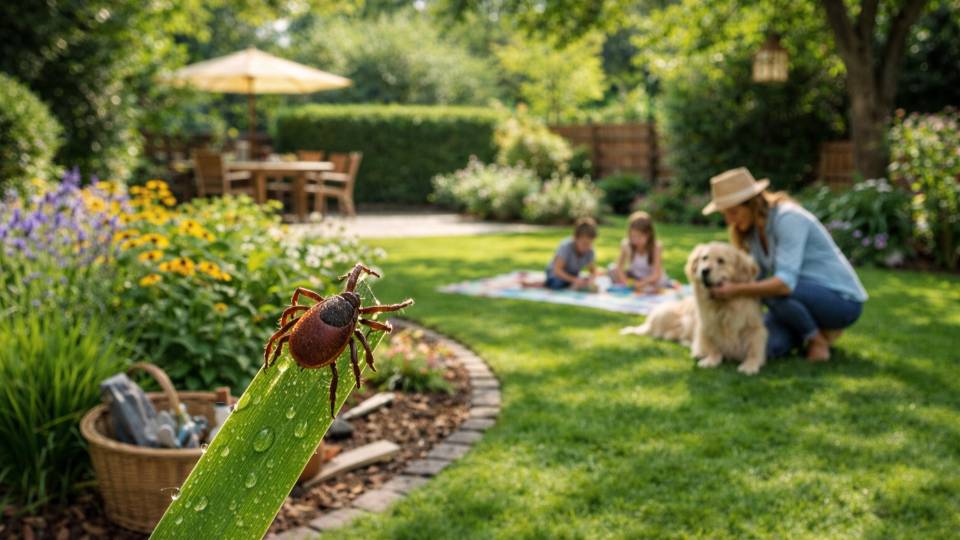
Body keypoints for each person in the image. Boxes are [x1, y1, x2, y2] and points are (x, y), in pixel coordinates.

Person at [701, 167, 868, 361]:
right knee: (767, 349)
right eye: (725, 214)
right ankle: (811, 328)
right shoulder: (753, 232)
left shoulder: (789, 219)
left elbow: (783, 284)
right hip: (795, 297)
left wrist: (736, 290)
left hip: (840, 301)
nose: (729, 220)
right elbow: (756, 278)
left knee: (770, 291)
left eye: (733, 212)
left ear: (753, 204)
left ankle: (817, 339)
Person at [610, 210, 673, 293]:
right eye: (633, 236)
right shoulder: (626, 244)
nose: (635, 240)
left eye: (639, 237)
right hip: (635, 276)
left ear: (649, 235)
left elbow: (656, 274)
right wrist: (624, 281)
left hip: (650, 279)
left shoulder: (656, 247)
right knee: (612, 269)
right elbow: (619, 267)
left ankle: (649, 289)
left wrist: (641, 283)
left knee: (658, 283)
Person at [543, 217, 600, 290]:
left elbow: (593, 271)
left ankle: (572, 286)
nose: (587, 247)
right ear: (575, 238)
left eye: (590, 244)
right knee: (557, 284)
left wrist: (590, 280)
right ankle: (544, 283)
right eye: (584, 244)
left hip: (572, 275)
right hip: (555, 275)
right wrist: (575, 280)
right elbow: (557, 270)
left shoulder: (590, 251)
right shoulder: (566, 246)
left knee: (586, 284)